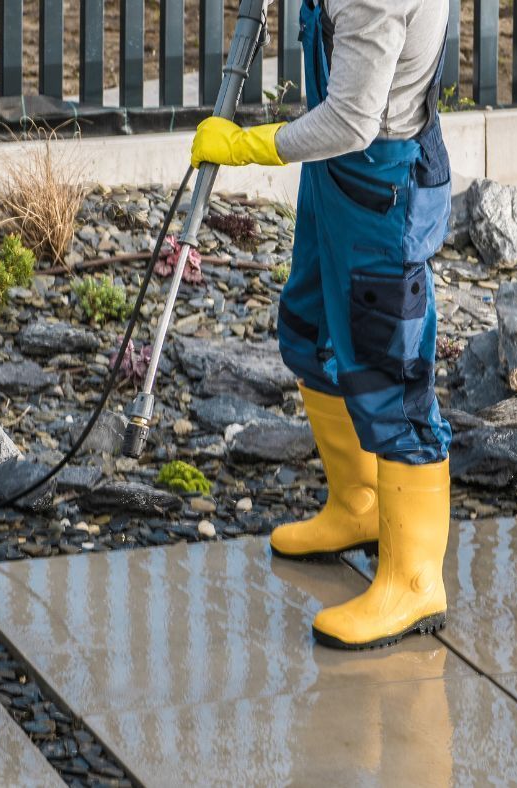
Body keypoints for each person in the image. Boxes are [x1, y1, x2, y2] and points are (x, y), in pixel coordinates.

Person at [191, 0, 452, 650]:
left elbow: (353, 119)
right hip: (338, 181)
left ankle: (415, 582)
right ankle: (357, 505)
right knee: (309, 332)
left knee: (391, 379)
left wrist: (253, 145)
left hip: (381, 183)